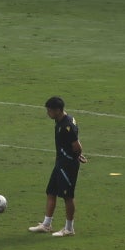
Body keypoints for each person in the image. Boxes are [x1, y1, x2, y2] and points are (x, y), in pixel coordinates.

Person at [30, 95, 85, 236]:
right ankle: (46, 224)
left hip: (68, 165)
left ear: (58, 110)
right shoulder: (60, 120)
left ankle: (69, 228)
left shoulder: (67, 126)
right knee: (51, 192)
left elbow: (77, 146)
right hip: (60, 163)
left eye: (49, 110)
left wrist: (77, 156)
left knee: (68, 196)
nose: (48, 113)